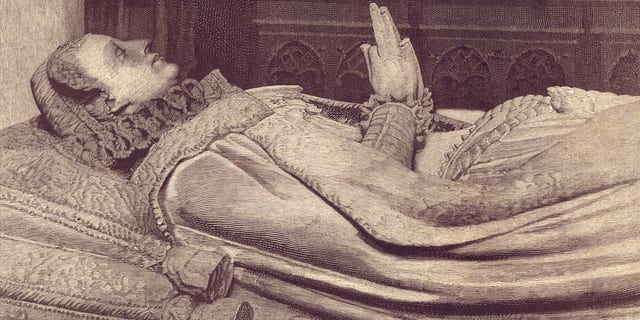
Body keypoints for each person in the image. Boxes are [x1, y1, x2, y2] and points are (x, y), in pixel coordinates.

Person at [27, 3, 640, 314]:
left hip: (497, 142)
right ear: (108, 107)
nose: (142, 43)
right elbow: (392, 216)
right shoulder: (196, 171)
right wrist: (396, 104)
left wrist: (397, 108)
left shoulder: (219, 124)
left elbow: (361, 185)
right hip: (496, 175)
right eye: (119, 54)